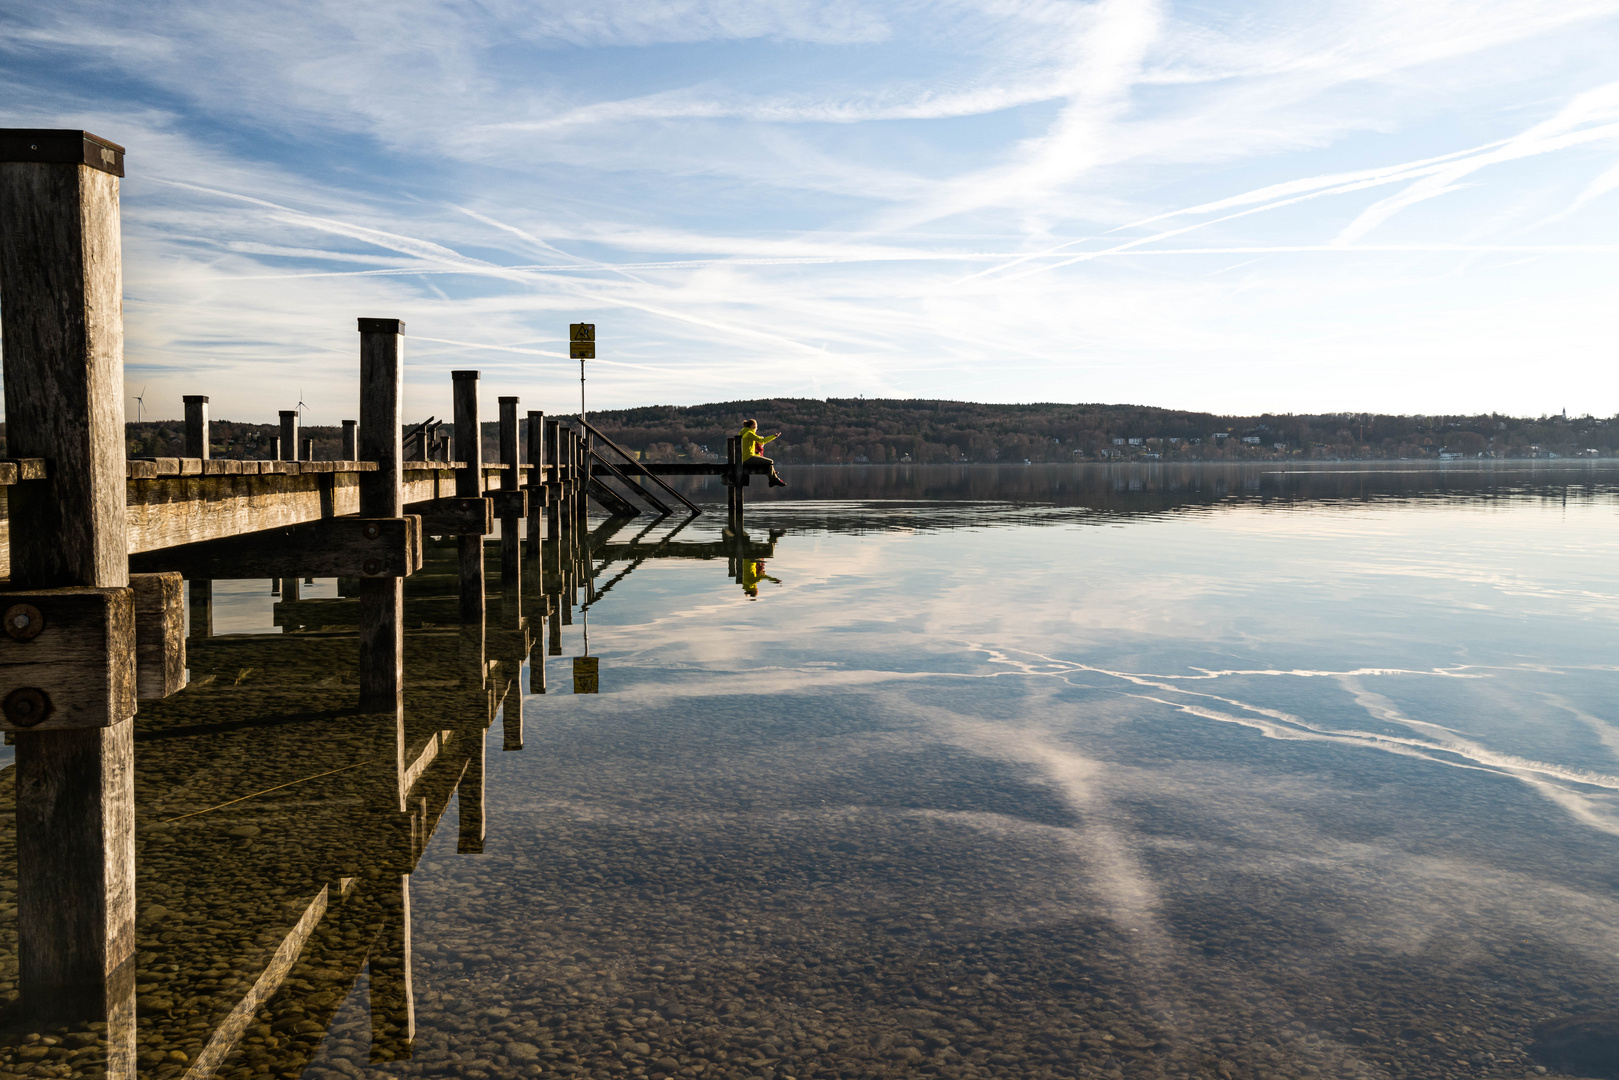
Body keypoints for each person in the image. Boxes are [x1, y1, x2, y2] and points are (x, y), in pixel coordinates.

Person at [740, 419, 787, 487]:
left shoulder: (745, 433)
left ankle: (773, 479)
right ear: (753, 426)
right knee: (770, 461)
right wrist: (774, 436)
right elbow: (762, 440)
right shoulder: (749, 434)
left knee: (768, 465)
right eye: (756, 426)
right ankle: (773, 480)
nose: (757, 428)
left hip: (746, 457)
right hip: (748, 458)